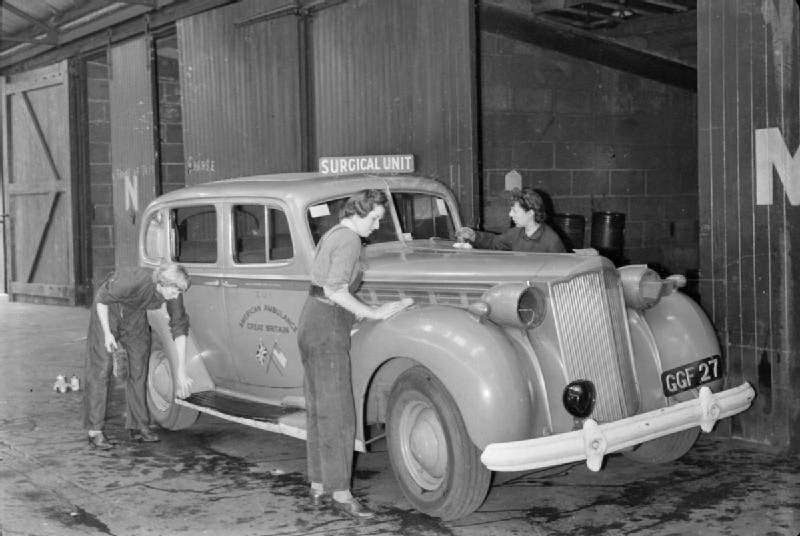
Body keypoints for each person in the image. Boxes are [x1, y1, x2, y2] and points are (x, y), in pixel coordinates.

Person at [298, 189, 412, 519]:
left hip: (311, 321)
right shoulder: (349, 240)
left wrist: (364, 310)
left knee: (320, 410)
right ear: (359, 212)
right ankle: (341, 494)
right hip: (327, 327)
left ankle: (320, 485)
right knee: (339, 415)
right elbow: (335, 290)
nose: (377, 226)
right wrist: (376, 314)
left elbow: (324, 287)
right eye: (375, 218)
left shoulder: (332, 234)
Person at [84, 262, 193, 450]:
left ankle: (138, 426)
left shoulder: (174, 292)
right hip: (109, 310)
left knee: (139, 366)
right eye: (174, 292)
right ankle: (95, 430)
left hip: (134, 313)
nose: (176, 297)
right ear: (163, 284)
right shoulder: (133, 281)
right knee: (101, 368)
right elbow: (101, 298)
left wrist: (182, 371)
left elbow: (179, 328)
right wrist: (107, 333)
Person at [456, 187, 566, 253]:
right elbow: (494, 242)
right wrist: (474, 236)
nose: (510, 214)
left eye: (515, 211)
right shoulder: (516, 233)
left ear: (530, 213)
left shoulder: (552, 240)